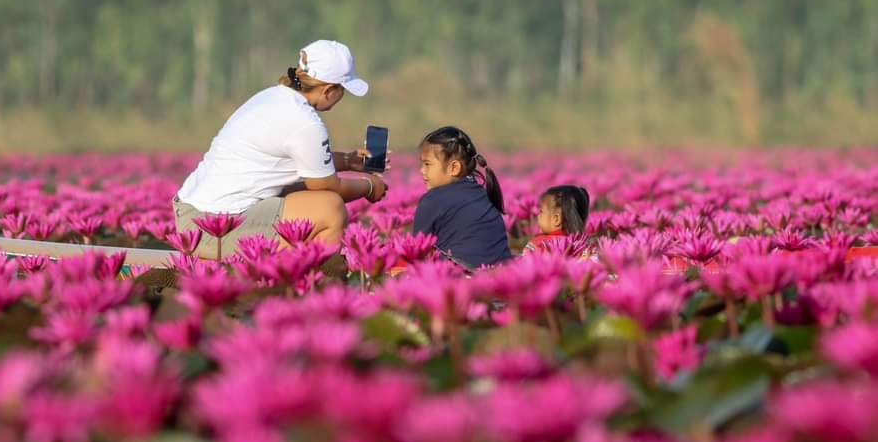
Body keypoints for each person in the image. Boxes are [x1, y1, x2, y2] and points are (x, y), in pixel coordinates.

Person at [174, 40, 388, 259]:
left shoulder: (273, 97)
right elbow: (328, 186)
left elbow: (304, 160)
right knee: (330, 208)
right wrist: (370, 187)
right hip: (212, 227)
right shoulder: (306, 123)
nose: (342, 97)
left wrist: (348, 161)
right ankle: (304, 285)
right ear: (328, 90)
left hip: (190, 215)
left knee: (301, 193)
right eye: (343, 90)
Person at [412, 126, 511, 270]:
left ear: (454, 168)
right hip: (506, 275)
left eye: (427, 164)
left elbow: (416, 251)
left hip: (463, 280)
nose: (422, 170)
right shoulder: (484, 194)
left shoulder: (432, 200)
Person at [525, 185, 590, 253]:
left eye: (541, 211)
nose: (538, 216)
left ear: (556, 219)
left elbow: (523, 261)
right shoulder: (584, 246)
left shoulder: (538, 244)